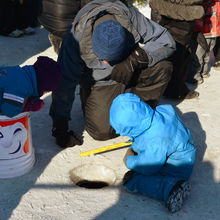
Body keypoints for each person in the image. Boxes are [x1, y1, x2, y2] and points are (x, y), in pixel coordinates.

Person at [50, 0, 176, 148]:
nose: (105, 62)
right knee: (101, 132)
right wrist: (60, 124)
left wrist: (136, 58)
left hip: (129, 68)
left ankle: (140, 111)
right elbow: (64, 83)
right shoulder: (75, 38)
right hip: (101, 82)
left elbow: (166, 42)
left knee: (162, 67)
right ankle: (94, 98)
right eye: (100, 57)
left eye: (109, 58)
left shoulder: (131, 18)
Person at [109, 93, 196, 213]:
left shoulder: (155, 142)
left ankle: (172, 188)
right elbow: (147, 136)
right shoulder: (162, 111)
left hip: (177, 168)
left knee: (133, 179)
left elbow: (149, 166)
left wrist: (130, 161)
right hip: (185, 153)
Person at [150, 0, 205, 99]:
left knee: (182, 56)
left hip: (181, 23)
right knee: (177, 57)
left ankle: (174, 88)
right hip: (174, 23)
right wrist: (191, 11)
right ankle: (174, 91)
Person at [187, 0, 220, 84]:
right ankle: (196, 76)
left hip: (213, 31)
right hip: (202, 32)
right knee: (198, 55)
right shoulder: (202, 3)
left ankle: (203, 72)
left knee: (206, 53)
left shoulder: (216, 3)